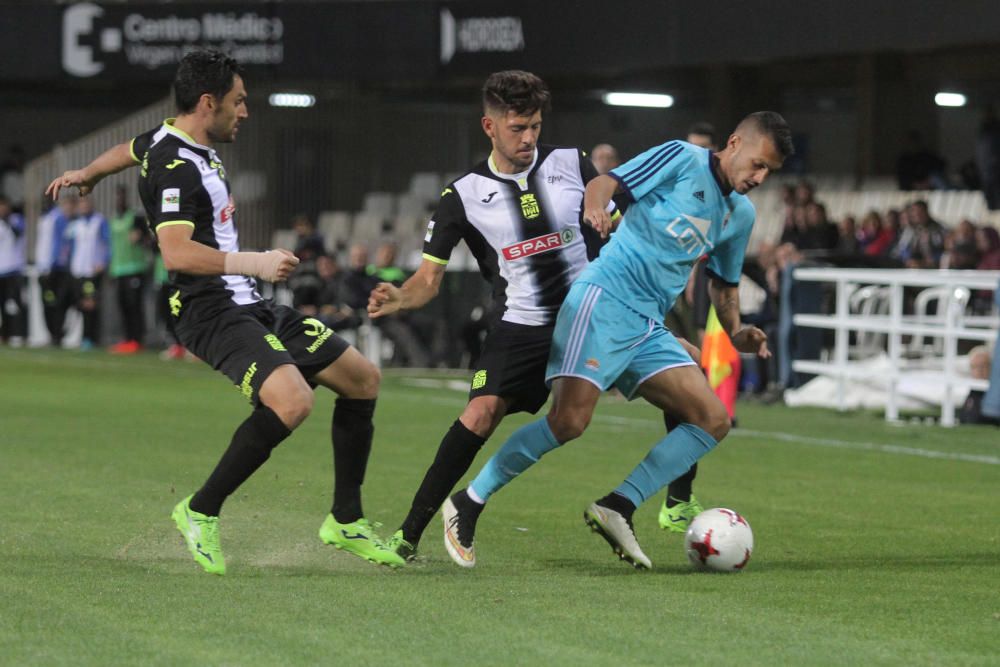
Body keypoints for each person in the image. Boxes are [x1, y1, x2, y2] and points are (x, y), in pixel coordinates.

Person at [46, 49, 402, 574]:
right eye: (239, 102)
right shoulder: (175, 169)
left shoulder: (172, 139)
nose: (246, 112)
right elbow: (176, 252)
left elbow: (130, 148)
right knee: (293, 401)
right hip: (207, 307)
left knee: (362, 378)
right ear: (208, 103)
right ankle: (199, 510)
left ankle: (345, 521)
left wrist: (89, 174)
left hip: (246, 301)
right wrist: (254, 261)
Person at [439, 111, 793, 569]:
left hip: (646, 324)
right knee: (568, 422)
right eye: (758, 164)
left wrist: (737, 331)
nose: (760, 177)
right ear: (734, 142)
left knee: (712, 418)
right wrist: (593, 209)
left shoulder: (739, 215)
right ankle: (468, 502)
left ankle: (619, 505)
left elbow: (723, 285)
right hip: (603, 300)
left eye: (769, 172)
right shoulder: (682, 158)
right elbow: (606, 184)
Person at [367, 70, 622, 560]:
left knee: (680, 371)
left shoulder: (572, 162)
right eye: (517, 128)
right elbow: (427, 280)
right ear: (489, 126)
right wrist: (400, 297)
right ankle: (407, 536)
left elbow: (619, 207)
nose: (528, 138)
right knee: (481, 414)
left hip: (592, 316)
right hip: (523, 325)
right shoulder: (461, 196)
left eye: (535, 126)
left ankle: (678, 502)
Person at [108, 184, 151, 354]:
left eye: (122, 196)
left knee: (135, 305)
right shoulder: (113, 219)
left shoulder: (135, 217)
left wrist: (140, 238)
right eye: (117, 196)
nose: (119, 200)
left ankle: (137, 339)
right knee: (123, 305)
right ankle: (127, 339)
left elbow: (148, 238)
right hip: (118, 269)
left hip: (135, 267)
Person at [66, 195, 109, 350]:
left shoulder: (99, 221)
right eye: (81, 205)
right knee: (81, 304)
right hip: (78, 269)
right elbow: (70, 245)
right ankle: (84, 337)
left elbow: (107, 242)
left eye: (86, 204)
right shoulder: (75, 224)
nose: (84, 207)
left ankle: (91, 338)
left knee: (91, 304)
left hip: (93, 270)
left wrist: (103, 262)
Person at [34, 196, 76, 346]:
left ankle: (57, 334)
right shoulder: (50, 218)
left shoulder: (63, 220)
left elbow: (62, 244)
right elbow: (48, 244)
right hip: (47, 268)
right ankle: (53, 333)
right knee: (49, 302)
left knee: (60, 302)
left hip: (60, 268)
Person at [0, 195, 26, 345]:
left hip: (14, 269)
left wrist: (8, 222)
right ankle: (4, 334)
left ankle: (17, 333)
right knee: (3, 305)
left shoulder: (16, 220)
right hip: (1, 270)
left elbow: (20, 233)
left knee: (14, 305)